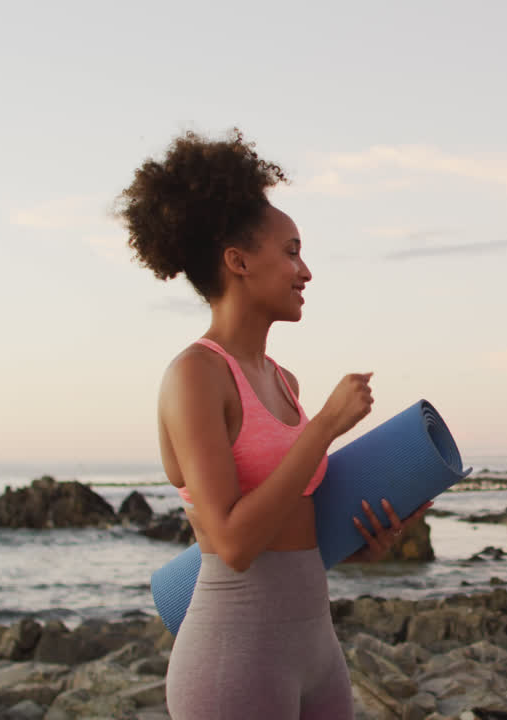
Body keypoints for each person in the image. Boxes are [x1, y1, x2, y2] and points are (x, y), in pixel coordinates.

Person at [117, 129, 427, 719]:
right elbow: (232, 542)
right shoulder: (195, 377)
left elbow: (290, 524)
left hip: (316, 647)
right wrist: (325, 429)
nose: (305, 270)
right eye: (290, 251)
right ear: (237, 262)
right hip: (234, 655)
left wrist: (362, 542)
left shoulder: (283, 380)